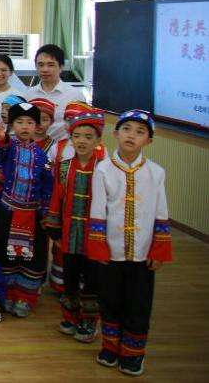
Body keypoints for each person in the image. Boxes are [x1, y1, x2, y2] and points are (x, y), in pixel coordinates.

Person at [87, 110, 172, 376]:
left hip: (142, 253)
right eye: (126, 129)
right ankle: (110, 347)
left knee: (139, 303)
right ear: (115, 133)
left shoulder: (156, 173)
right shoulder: (103, 169)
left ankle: (133, 354)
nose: (131, 135)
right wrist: (99, 246)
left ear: (149, 140)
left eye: (139, 132)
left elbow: (161, 212)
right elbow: (98, 210)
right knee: (110, 300)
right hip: (111, 252)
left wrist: (159, 249)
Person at [43, 105, 106, 344]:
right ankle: (69, 316)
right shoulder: (65, 166)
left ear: (98, 140)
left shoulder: (104, 168)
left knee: (92, 280)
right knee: (70, 276)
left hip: (95, 236)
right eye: (77, 136)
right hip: (70, 234)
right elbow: (57, 197)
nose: (82, 141)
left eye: (88, 137)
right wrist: (55, 229)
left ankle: (89, 321)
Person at [0, 101, 53, 318]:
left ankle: (25, 297)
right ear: (12, 125)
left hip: (32, 215)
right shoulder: (8, 147)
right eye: (20, 122)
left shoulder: (42, 155)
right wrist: (1, 139)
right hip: (8, 211)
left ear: (37, 126)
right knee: (6, 253)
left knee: (31, 257)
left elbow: (47, 184)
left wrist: (46, 212)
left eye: (30, 122)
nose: (25, 126)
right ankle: (7, 294)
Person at [28, 44, 88, 141]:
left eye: (51, 65)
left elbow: (83, 128)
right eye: (41, 65)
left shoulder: (75, 95)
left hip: (63, 148)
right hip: (33, 148)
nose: (45, 69)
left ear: (61, 67)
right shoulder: (28, 94)